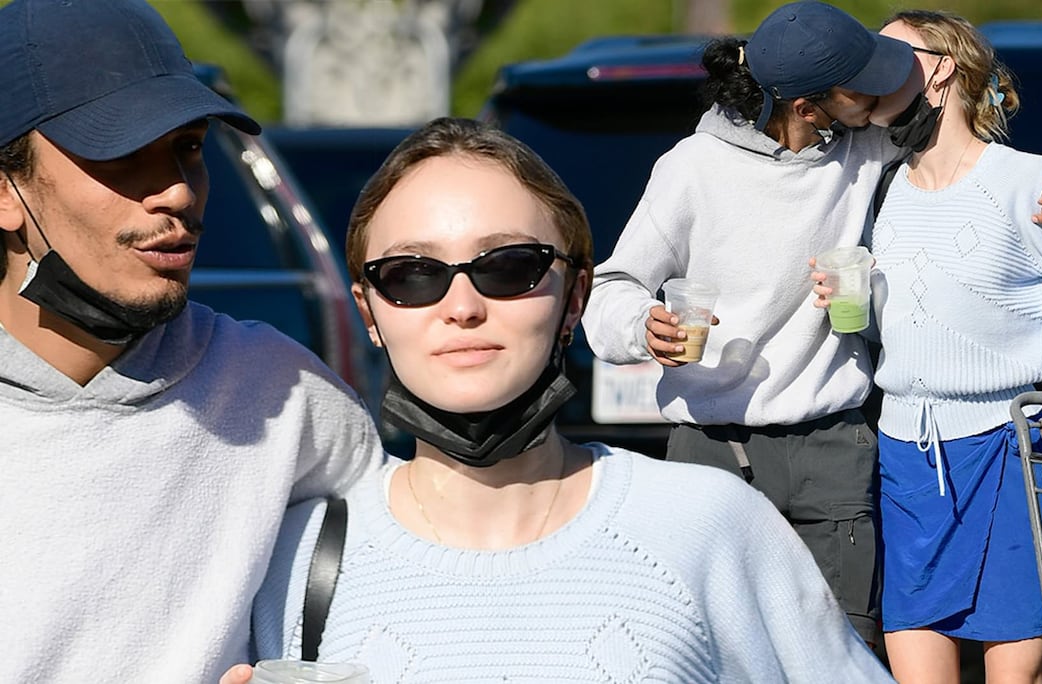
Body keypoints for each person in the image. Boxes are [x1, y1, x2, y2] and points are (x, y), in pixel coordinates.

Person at [221, 117, 895, 683]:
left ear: (575, 297)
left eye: (508, 266)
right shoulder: (292, 560)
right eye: (411, 274)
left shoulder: (710, 527)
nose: (462, 306)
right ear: (370, 311)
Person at [579, 0, 1042, 644]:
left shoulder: (862, 143)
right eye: (867, 82)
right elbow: (612, 287)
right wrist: (642, 327)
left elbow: (983, 162)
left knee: (842, 650)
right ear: (807, 108)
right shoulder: (691, 169)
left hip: (837, 450)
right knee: (718, 648)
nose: (886, 91)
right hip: (714, 452)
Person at [0, 1, 383, 682]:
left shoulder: (280, 391)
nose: (177, 190)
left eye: (189, 147)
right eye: (119, 152)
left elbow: (415, 590)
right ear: (6, 192)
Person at [813, 10, 1042, 683]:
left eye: (893, 51)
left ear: (944, 66)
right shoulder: (881, 183)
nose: (874, 65)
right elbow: (897, 326)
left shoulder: (1023, 183)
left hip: (1007, 449)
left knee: (1016, 676)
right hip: (906, 456)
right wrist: (846, 309)